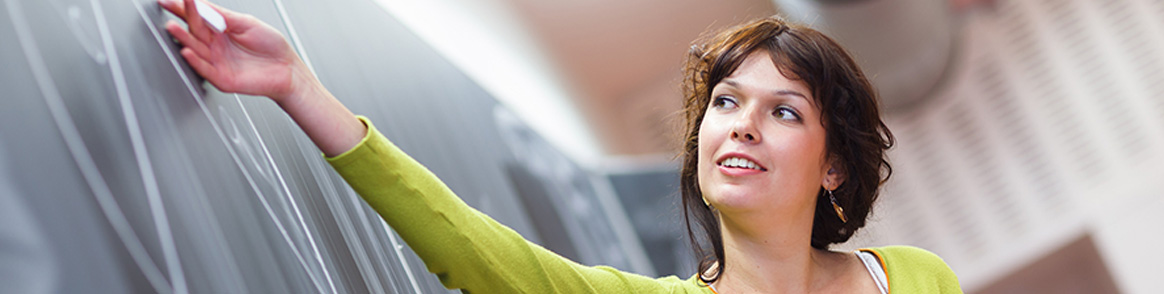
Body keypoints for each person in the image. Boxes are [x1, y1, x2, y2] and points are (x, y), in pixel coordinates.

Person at [159, 0, 962, 292]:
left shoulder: (917, 282)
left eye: (784, 111)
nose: (742, 124)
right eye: (725, 103)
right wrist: (301, 88)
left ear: (835, 166)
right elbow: (473, 252)